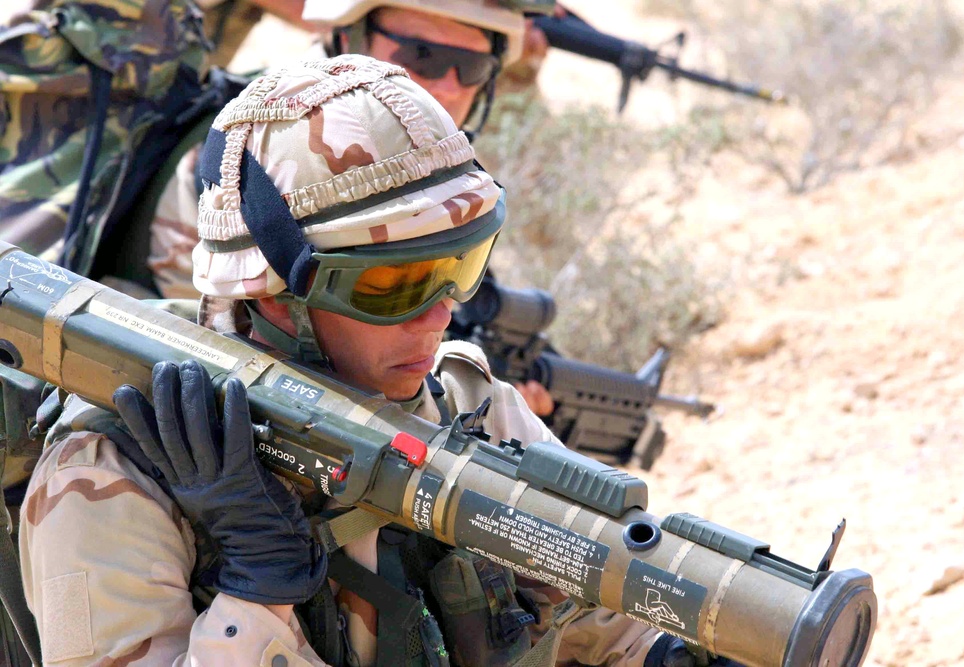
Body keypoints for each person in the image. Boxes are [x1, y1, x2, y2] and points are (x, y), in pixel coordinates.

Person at [19, 56, 717, 666]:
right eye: (394, 283)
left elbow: (607, 618)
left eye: (459, 265)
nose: (441, 313)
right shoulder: (111, 475)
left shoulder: (465, 402)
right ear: (274, 293)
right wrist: (257, 591)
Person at [145, 0, 556, 415]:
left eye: (472, 68)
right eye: (424, 56)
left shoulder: (450, 170)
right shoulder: (249, 170)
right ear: (348, 38)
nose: (448, 86)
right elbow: (240, 341)